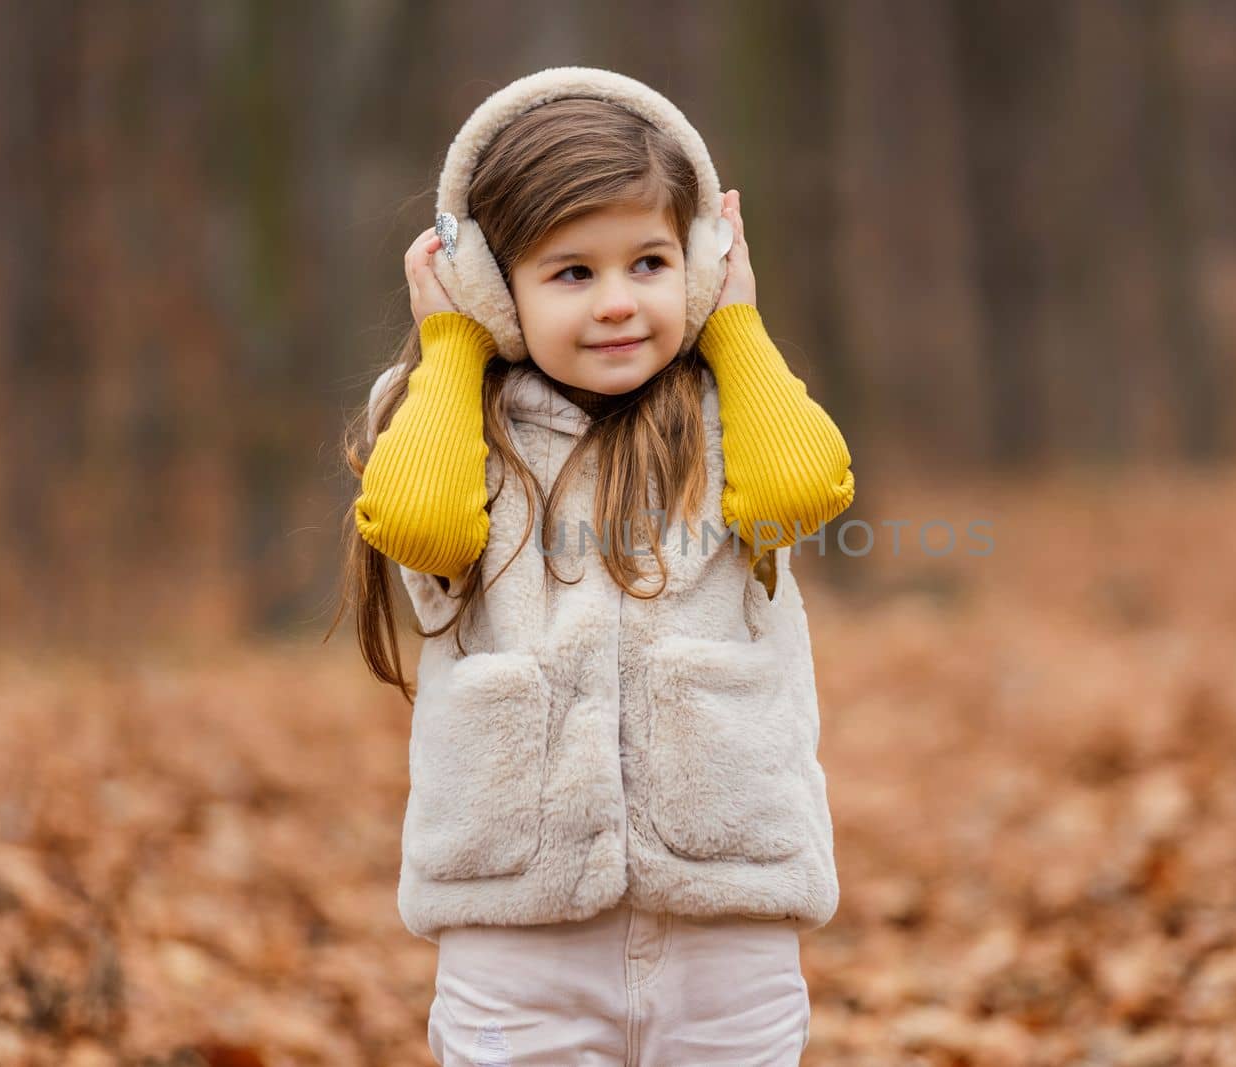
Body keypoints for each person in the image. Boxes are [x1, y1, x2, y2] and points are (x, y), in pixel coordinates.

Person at [336, 67, 855, 1065]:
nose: (619, 302)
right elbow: (416, 520)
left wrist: (736, 323)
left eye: (651, 262)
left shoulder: (728, 405)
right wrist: (451, 341)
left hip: (726, 925)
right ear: (493, 286)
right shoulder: (448, 418)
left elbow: (802, 488)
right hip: (517, 935)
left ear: (700, 263)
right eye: (572, 273)